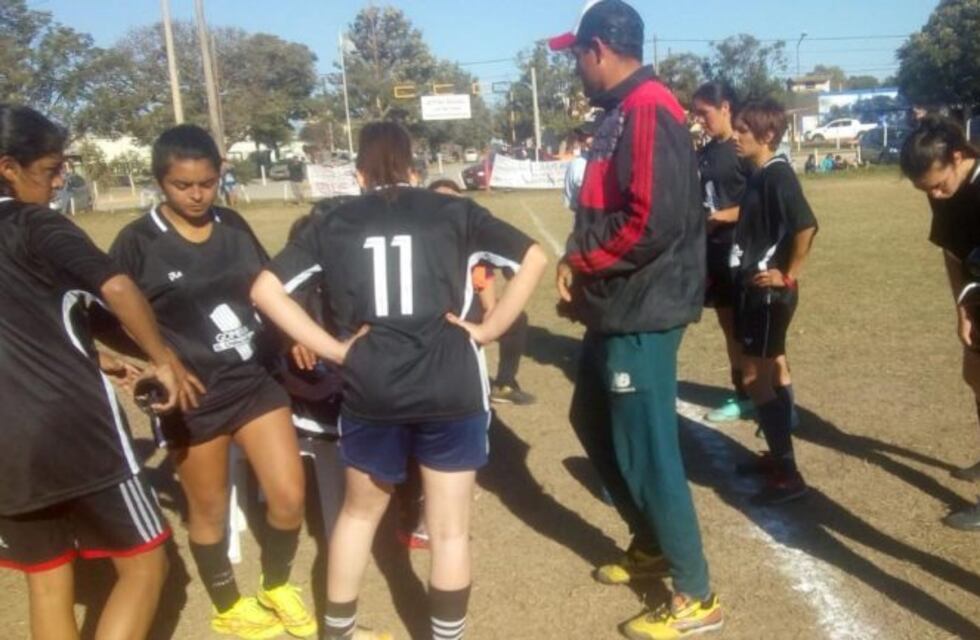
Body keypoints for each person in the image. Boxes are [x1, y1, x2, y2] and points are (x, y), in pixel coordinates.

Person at [251, 121, 548, 640]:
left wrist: (337, 349)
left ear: (360, 172)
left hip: (372, 387)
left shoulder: (335, 219)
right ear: (414, 166)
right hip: (451, 385)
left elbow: (264, 290)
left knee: (357, 516)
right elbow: (535, 256)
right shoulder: (454, 209)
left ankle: (337, 633)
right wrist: (489, 329)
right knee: (450, 529)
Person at [548, 2, 722, 638]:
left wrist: (585, 261)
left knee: (648, 450)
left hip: (644, 307)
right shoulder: (619, 111)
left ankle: (697, 596)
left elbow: (651, 222)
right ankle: (649, 541)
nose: (574, 65)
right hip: (618, 303)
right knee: (589, 416)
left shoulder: (649, 108)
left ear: (599, 48)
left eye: (575, 54)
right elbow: (605, 207)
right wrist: (581, 265)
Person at [0, 104, 200, 640]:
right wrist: (161, 357)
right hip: (74, 431)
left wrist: (88, 349)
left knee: (46, 582)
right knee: (144, 564)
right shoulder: (34, 223)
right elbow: (116, 287)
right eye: (49, 170)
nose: (59, 180)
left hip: (6, 449)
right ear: (7, 168)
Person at [109, 124, 315, 639]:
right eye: (183, 185)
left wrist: (292, 334)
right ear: (161, 182)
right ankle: (228, 605)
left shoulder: (234, 223)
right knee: (209, 509)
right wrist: (159, 359)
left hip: (253, 379)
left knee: (289, 497)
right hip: (193, 396)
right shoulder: (137, 242)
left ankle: (275, 584)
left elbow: (264, 288)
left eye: (207, 183)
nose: (197, 195)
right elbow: (105, 314)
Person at [730, 100, 818, 505]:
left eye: (743, 129)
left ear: (767, 135)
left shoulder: (778, 175)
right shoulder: (759, 174)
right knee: (766, 375)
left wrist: (788, 274)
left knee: (755, 379)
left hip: (769, 294)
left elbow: (806, 225)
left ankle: (789, 474)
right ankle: (779, 457)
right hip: (755, 290)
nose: (735, 135)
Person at [899, 115, 980, 530]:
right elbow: (951, 252)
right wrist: (962, 306)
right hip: (977, 294)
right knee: (975, 376)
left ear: (959, 156)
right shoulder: (942, 194)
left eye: (938, 184)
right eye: (925, 190)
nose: (935, 195)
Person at [691, 82, 755, 424]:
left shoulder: (742, 147)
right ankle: (743, 393)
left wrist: (725, 216)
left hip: (742, 250)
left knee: (753, 329)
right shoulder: (707, 150)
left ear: (726, 107)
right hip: (713, 250)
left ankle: (776, 400)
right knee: (729, 327)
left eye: (705, 112)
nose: (700, 120)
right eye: (697, 114)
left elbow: (764, 201)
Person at [563, 121, 596, 211]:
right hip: (588, 214)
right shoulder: (579, 163)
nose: (584, 138)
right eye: (583, 136)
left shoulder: (581, 161)